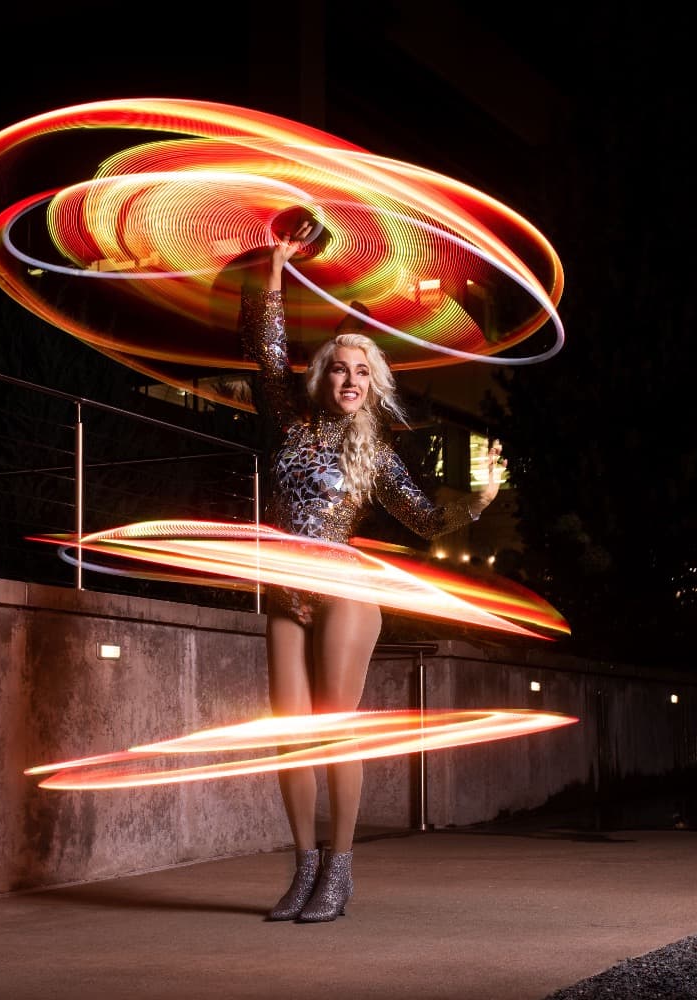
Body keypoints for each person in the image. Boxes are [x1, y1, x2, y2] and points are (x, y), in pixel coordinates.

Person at [240, 219, 506, 923]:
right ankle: (302, 868)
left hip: (343, 591)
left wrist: (477, 502)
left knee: (333, 728)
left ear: (373, 384)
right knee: (286, 734)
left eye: (363, 371)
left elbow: (422, 519)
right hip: (284, 591)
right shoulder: (285, 422)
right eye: (338, 366)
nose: (350, 379)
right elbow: (264, 351)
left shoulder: (377, 454)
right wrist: (275, 268)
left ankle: (341, 870)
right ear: (322, 375)